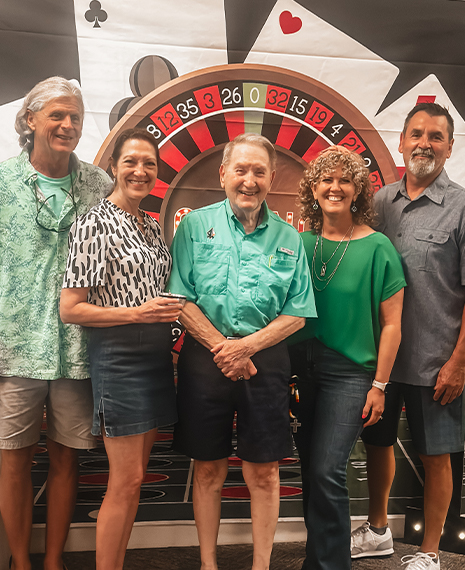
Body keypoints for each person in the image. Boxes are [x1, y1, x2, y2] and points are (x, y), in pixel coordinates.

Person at [167, 133, 315, 570]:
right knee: (208, 468)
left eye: (259, 172)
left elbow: (298, 313)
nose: (249, 180)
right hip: (204, 356)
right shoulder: (194, 227)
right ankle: (208, 564)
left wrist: (247, 347)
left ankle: (261, 565)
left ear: (272, 178)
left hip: (265, 360)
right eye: (240, 170)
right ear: (223, 175)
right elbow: (180, 298)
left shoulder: (289, 237)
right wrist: (225, 349)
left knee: (264, 471)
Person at [0, 76, 111, 570]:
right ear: (30, 120)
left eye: (76, 117)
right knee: (13, 459)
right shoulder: (2, 183)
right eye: (57, 115)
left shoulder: (99, 185)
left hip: (77, 347)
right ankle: (20, 563)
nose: (68, 125)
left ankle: (53, 563)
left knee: (68, 456)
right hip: (15, 345)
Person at [60, 128, 182, 570]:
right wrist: (136, 314)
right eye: (131, 161)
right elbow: (71, 308)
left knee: (136, 479)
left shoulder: (152, 225)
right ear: (113, 166)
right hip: (119, 358)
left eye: (149, 163)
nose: (140, 171)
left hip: (154, 357)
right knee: (126, 479)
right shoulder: (93, 223)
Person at [351, 103, 465, 569]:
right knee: (377, 444)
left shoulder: (461, 207)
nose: (424, 143)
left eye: (436, 136)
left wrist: (459, 362)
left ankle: (430, 552)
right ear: (400, 142)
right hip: (380, 359)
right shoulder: (378, 204)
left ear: (450, 147)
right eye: (416, 134)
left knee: (436, 456)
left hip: (436, 361)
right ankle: (378, 531)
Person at [288, 148, 406, 570]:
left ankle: (331, 564)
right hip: (300, 370)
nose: (334, 187)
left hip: (351, 374)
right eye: (326, 179)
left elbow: (392, 325)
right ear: (313, 189)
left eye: (345, 180)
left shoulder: (378, 248)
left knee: (327, 470)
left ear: (358, 191)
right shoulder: (299, 243)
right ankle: (317, 559)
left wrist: (380, 385)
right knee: (310, 470)